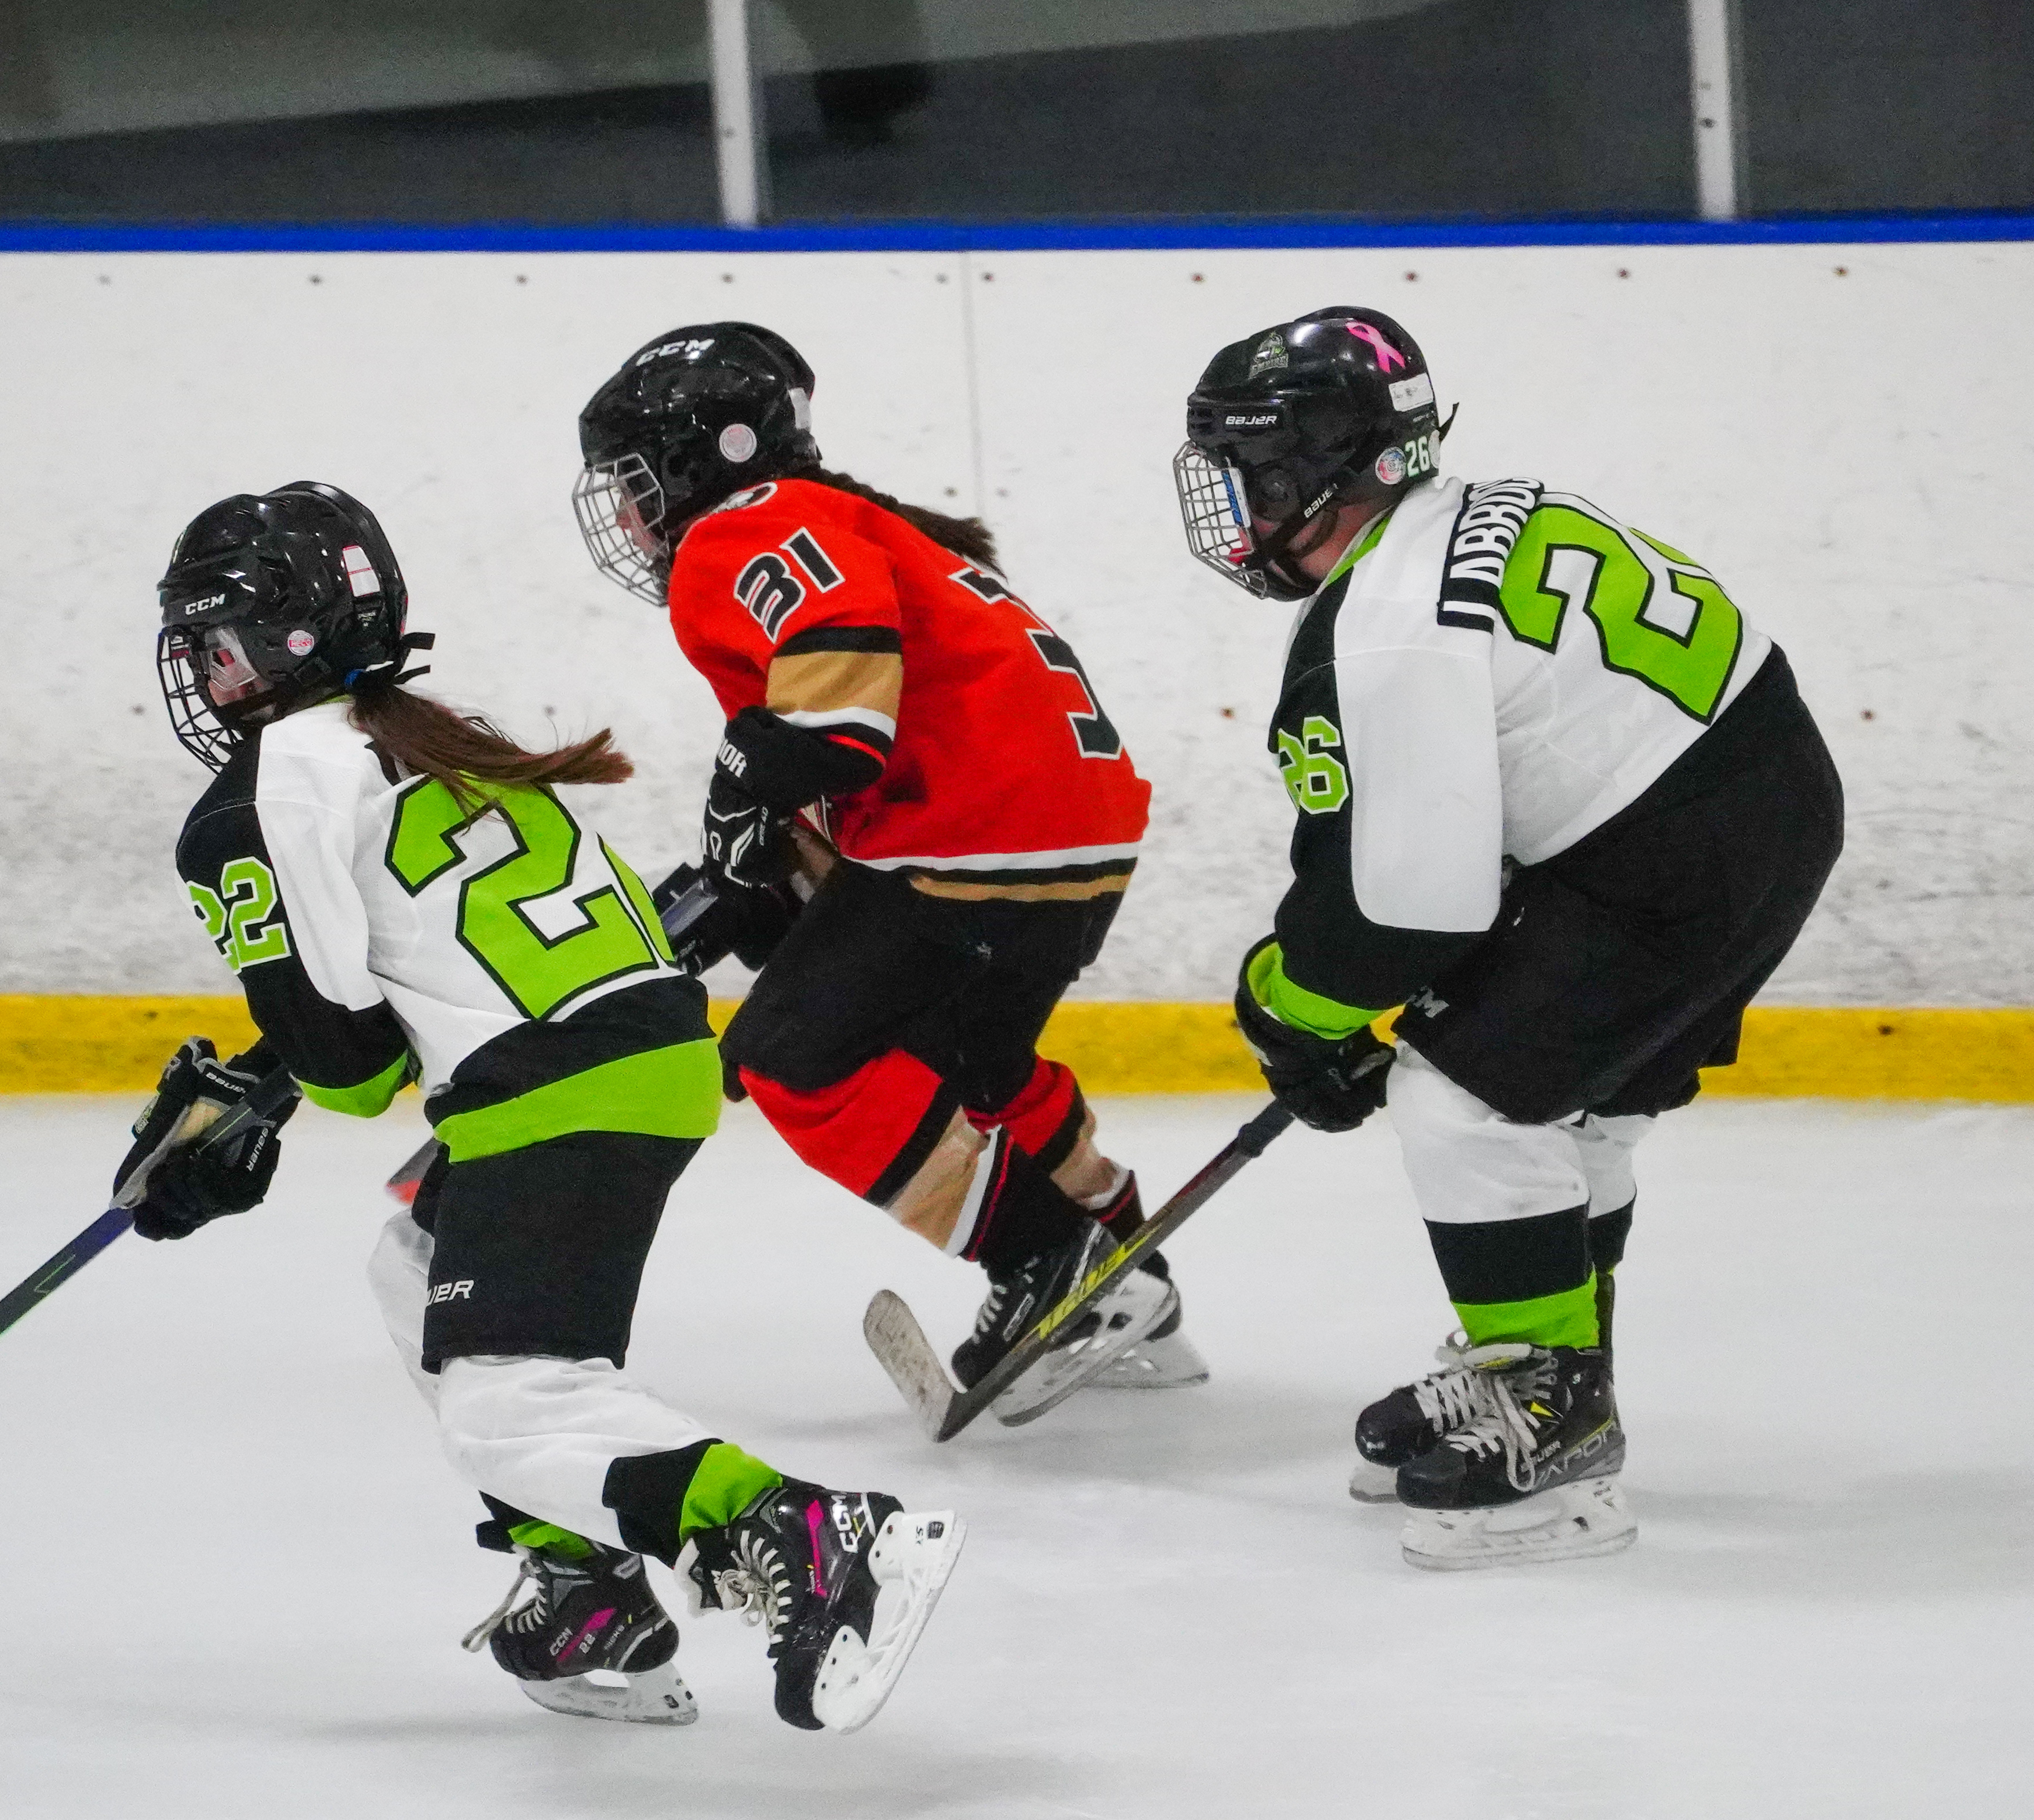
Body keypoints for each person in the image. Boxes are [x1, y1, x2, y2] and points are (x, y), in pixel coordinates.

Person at [114, 479, 962, 1729]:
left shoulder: (254, 797)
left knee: (511, 1405)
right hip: (641, 1050)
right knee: (413, 1265)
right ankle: (586, 1587)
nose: (205, 673)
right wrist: (254, 1084)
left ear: (286, 635)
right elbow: (425, 951)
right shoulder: (424, 731)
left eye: (218, 642)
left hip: (551, 1087)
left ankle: (803, 1534)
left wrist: (249, 1106)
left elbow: (355, 1069)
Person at [1174, 306, 1844, 1568]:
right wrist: (1352, 1001)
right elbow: (1459, 841)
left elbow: (1399, 905)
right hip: (1754, 800)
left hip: (1668, 859)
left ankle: (1551, 1430)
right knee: (1573, 1110)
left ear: (1319, 469)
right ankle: (1541, 1372)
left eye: (1249, 474)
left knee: (1462, 1103)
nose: (1237, 507)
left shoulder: (1383, 625)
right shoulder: (1486, 508)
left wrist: (1291, 1009)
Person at [572, 322, 1205, 1419]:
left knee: (789, 1061)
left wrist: (747, 780)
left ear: (704, 458)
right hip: (1069, 831)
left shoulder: (745, 523)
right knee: (966, 1065)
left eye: (632, 484)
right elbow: (878, 729)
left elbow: (836, 725)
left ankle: (1053, 1268)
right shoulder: (865, 521)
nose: (627, 517)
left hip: (971, 837)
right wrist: (765, 862)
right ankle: (1121, 1261)